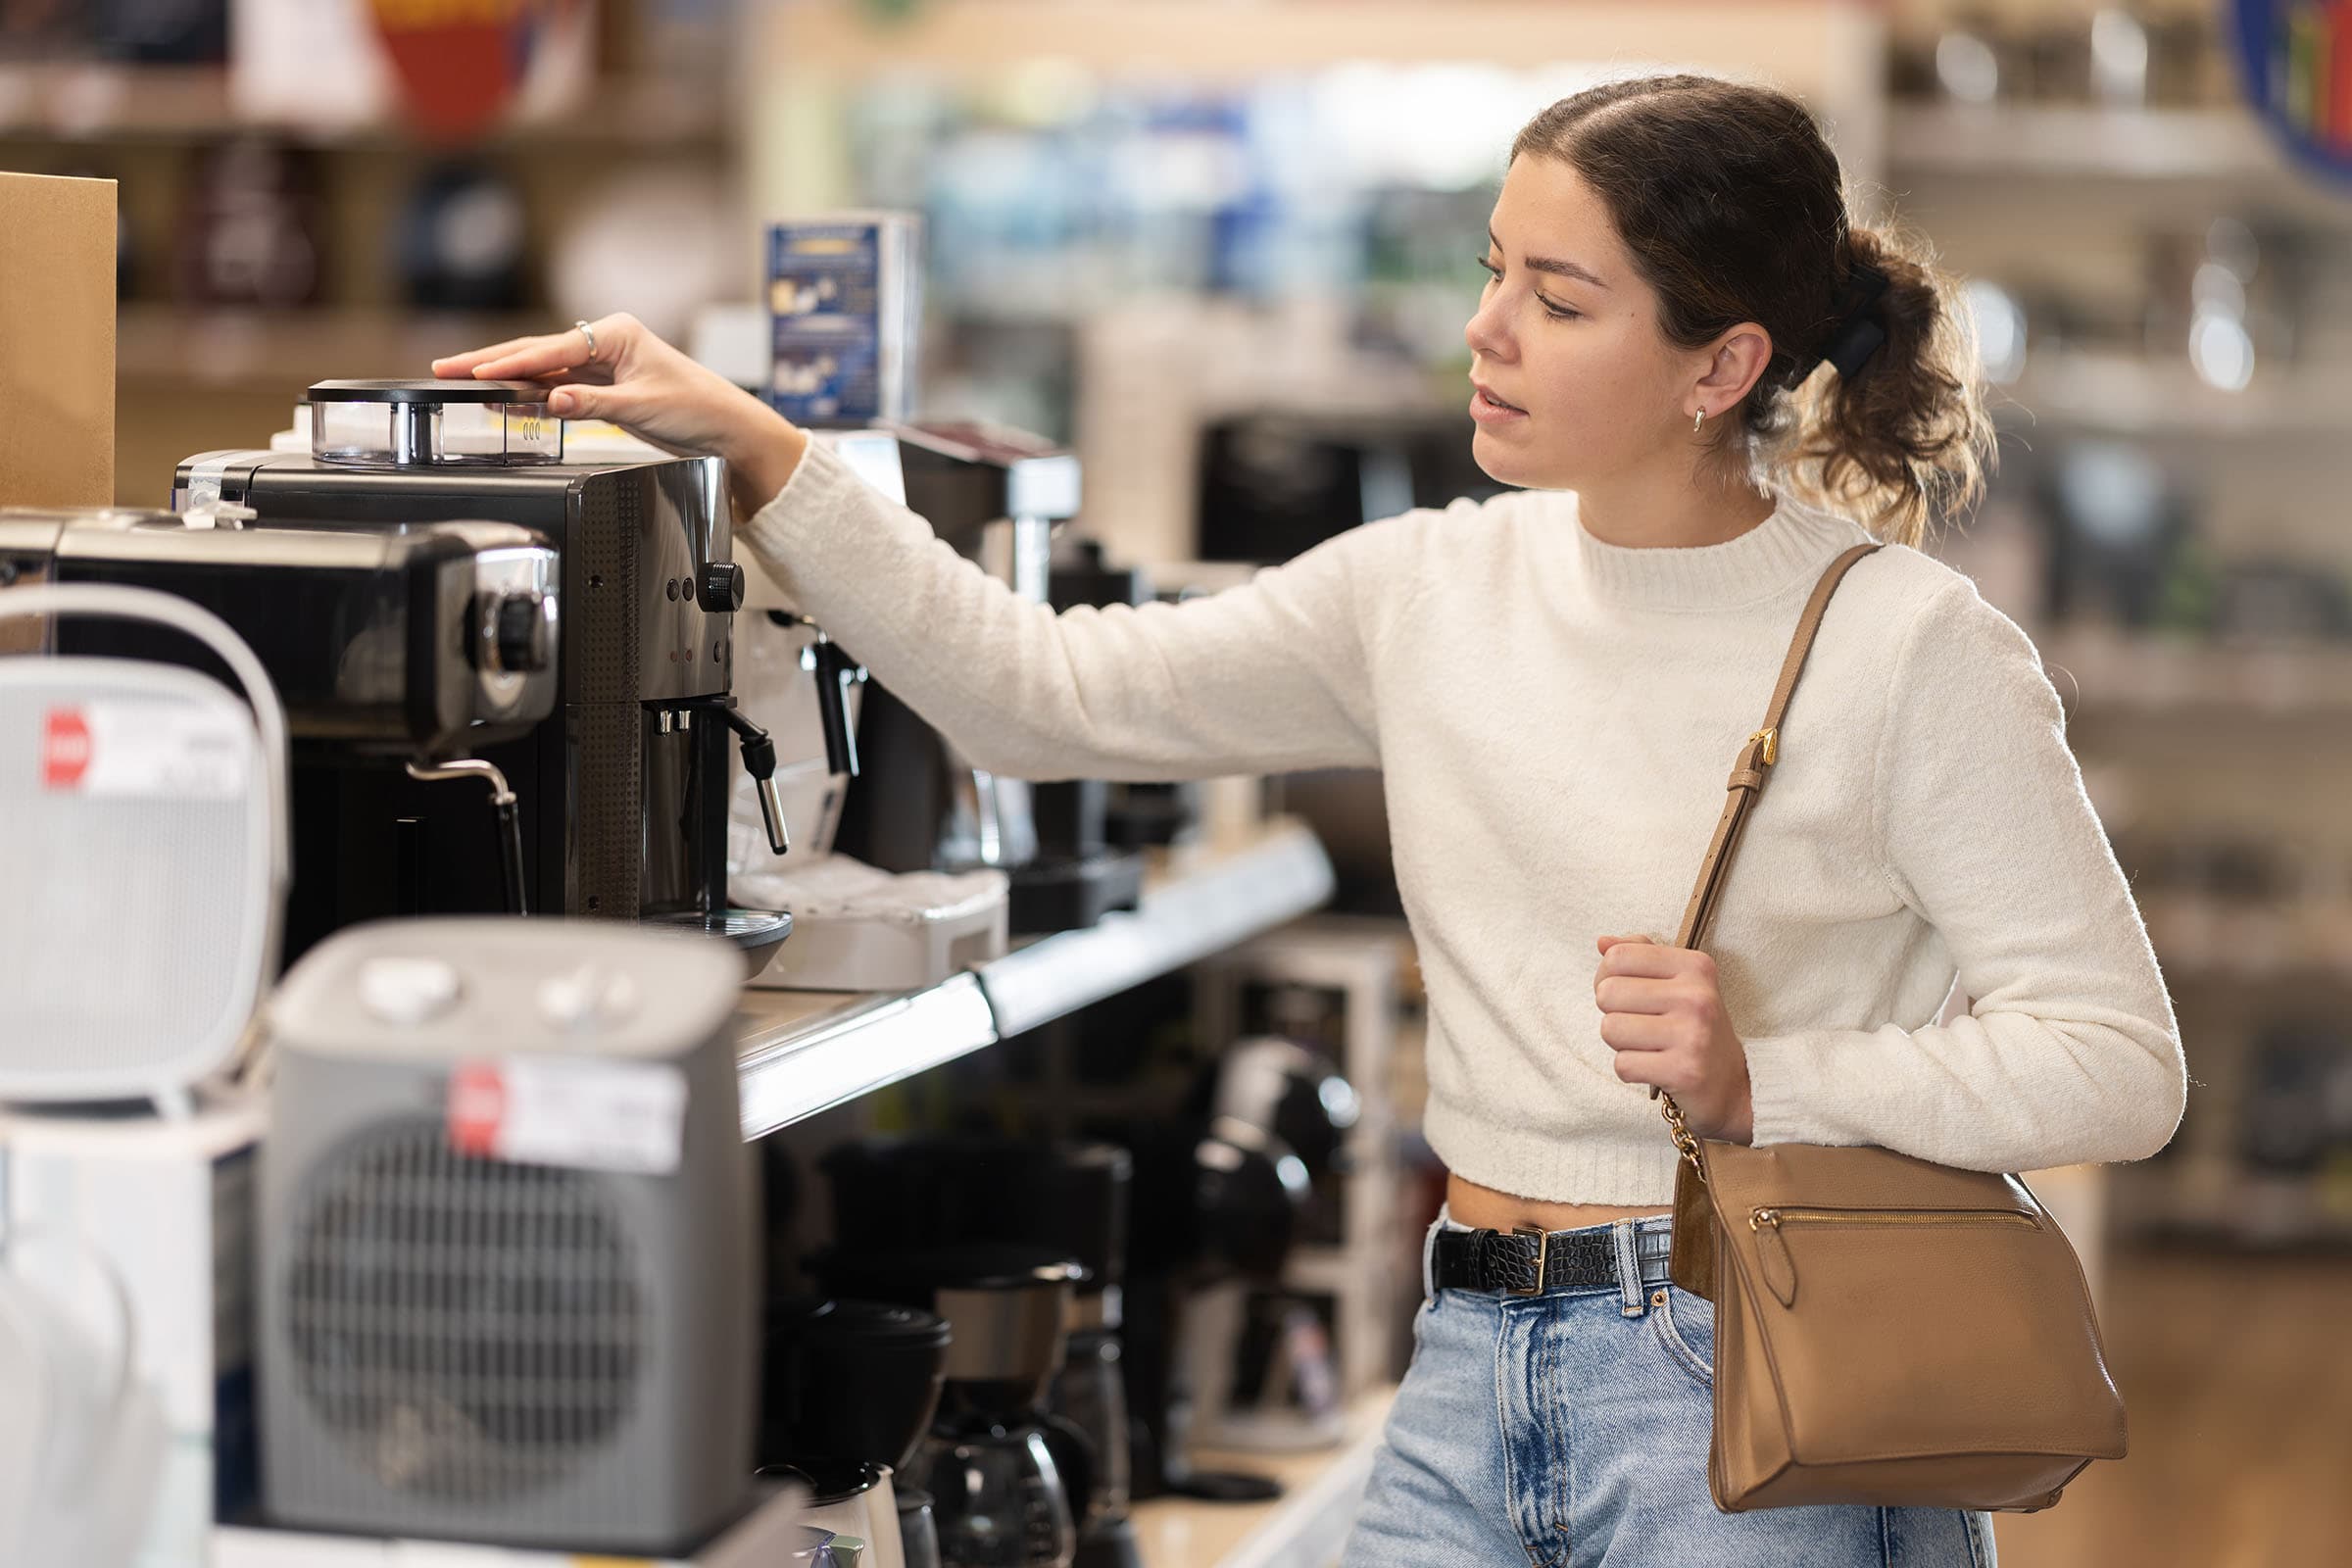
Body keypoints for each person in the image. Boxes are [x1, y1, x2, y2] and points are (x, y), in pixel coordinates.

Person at [435, 73, 2184, 1568]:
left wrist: (1767, 1081)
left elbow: (2118, 1058)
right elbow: (1039, 693)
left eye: (1561, 302)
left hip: (1751, 1380)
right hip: (1466, 1339)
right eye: (1498, 272)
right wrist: (751, 442)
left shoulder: (1906, 647)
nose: (1484, 332)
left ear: (1720, 363)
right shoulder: (1431, 588)